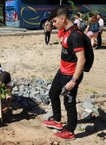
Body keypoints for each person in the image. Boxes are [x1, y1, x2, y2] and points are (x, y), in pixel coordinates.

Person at [42, 5, 86, 140]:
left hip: (70, 76)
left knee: (69, 103)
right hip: (61, 72)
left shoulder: (75, 35)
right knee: (52, 94)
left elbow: (82, 60)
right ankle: (57, 121)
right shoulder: (66, 31)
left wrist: (74, 80)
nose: (53, 25)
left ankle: (70, 131)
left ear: (63, 18)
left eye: (55, 22)